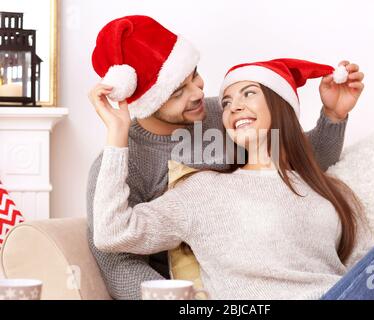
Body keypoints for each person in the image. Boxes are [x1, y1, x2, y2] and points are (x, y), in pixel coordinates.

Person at [87, 16, 353, 299]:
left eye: (195, 75)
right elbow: (116, 257)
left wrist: (333, 117)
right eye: (178, 92)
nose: (198, 92)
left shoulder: (227, 115)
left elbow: (301, 163)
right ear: (148, 103)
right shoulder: (122, 165)